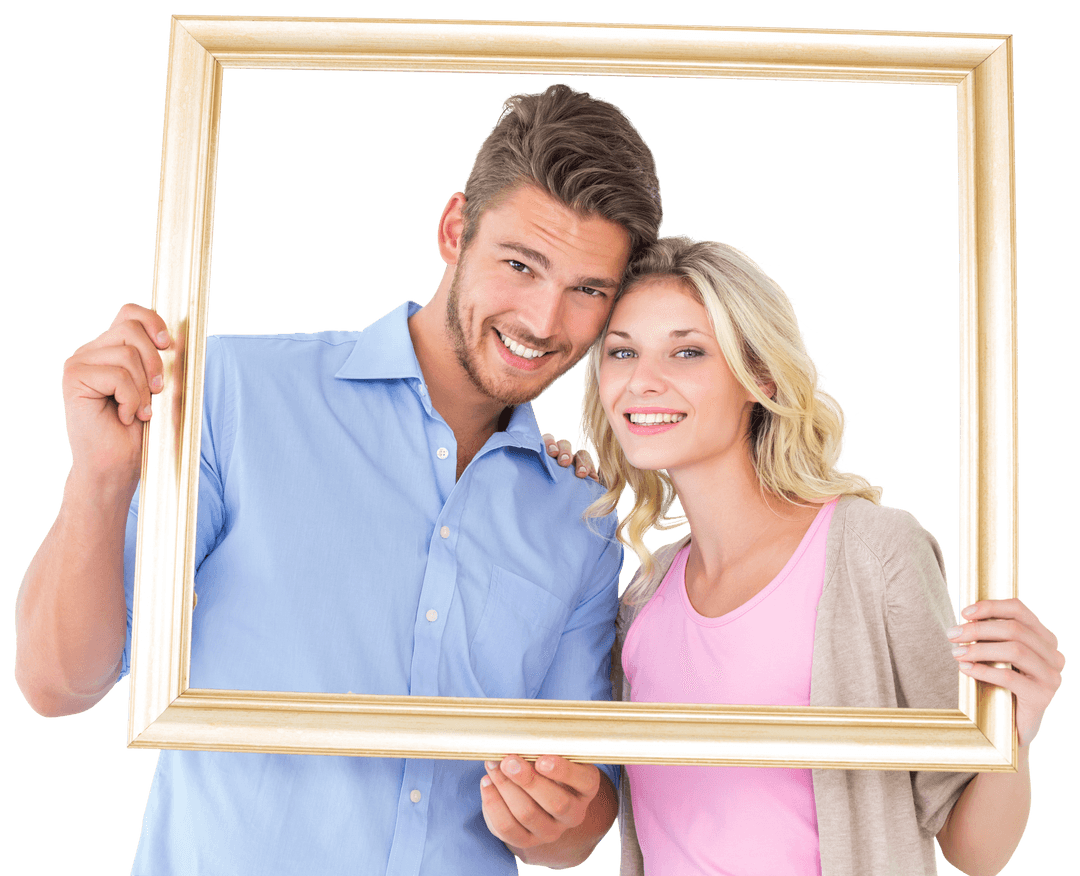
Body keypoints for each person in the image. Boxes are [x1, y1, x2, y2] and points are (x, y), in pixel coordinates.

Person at [13, 83, 665, 875]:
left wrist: (556, 816)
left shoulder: (584, 515)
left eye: (587, 290)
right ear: (455, 228)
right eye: (521, 264)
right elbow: (57, 684)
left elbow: (576, 828)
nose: (542, 320)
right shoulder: (236, 395)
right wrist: (98, 475)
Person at [558, 235, 1064, 875]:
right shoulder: (641, 603)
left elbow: (975, 850)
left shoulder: (873, 554)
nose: (642, 381)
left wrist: (1015, 728)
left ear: (759, 378)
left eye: (687, 351)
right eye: (621, 351)